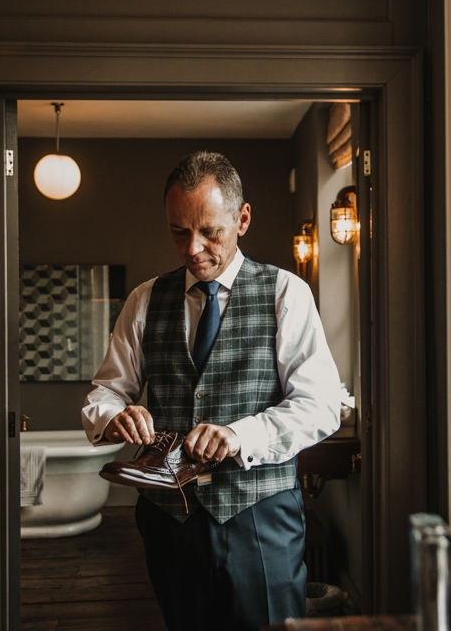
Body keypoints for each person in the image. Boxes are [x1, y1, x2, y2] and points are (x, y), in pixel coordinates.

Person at [81, 150, 341, 631]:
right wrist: (113, 416)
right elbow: (104, 394)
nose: (192, 247)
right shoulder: (143, 300)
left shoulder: (287, 293)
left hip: (261, 518)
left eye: (209, 231)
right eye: (179, 231)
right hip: (169, 524)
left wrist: (243, 435)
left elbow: (321, 405)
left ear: (242, 219)